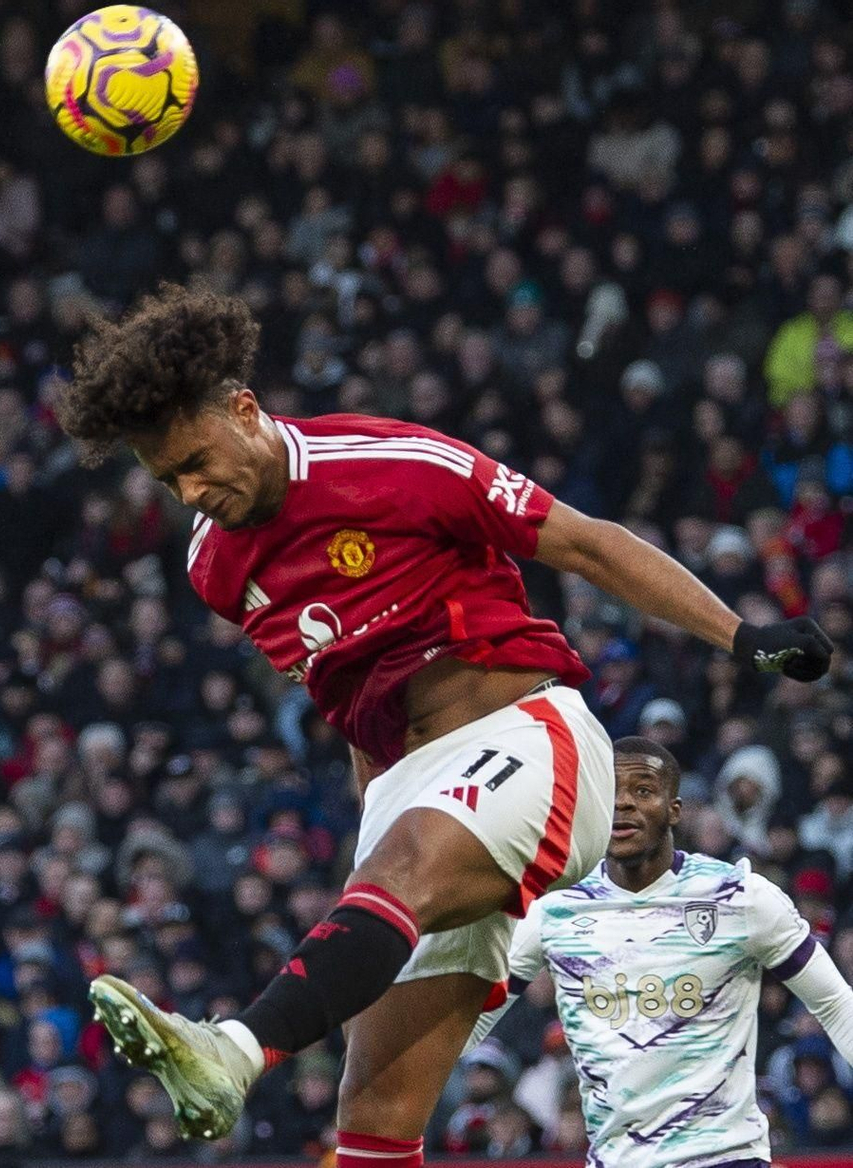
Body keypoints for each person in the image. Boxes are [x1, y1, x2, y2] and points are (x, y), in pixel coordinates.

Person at [54, 283, 833, 1167]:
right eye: (170, 480)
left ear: (244, 410)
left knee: (401, 872)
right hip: (410, 788)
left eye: (197, 460)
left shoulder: (396, 464)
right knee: (374, 1117)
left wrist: (743, 636)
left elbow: (586, 543)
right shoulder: (214, 567)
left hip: (528, 739)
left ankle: (230, 1051)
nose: (193, 490)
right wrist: (376, 827)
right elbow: (349, 696)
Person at [466, 737, 853, 1167]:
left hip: (724, 1159)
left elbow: (835, 1003)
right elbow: (466, 1024)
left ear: (674, 809)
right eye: (610, 791)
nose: (623, 803)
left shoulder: (738, 896)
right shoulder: (554, 912)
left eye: (643, 790)